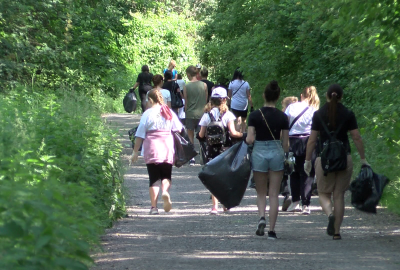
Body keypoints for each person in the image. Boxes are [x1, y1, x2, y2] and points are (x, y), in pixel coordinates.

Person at [304, 84, 368, 240]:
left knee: (323, 193)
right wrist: (363, 158)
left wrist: (307, 160)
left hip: (324, 159)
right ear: (341, 97)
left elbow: (312, 140)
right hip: (344, 158)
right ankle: (337, 232)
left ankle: (330, 214)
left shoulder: (318, 114)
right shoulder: (348, 114)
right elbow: (356, 137)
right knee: (338, 195)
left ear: (326, 96)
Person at [246, 80, 289, 240]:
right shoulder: (283, 117)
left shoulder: (255, 115)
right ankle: (272, 230)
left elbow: (250, 139)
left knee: (261, 192)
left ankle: (262, 217)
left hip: (259, 152)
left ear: (264, 96)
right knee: (273, 194)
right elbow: (285, 144)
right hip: (276, 151)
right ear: (278, 97)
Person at [131, 89, 183, 215]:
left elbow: (140, 134)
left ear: (150, 100)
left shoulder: (148, 113)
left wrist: (135, 151)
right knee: (166, 175)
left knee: (154, 178)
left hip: (152, 147)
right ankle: (165, 191)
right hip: (167, 146)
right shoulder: (168, 111)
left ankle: (154, 208)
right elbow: (179, 128)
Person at [196, 87, 245, 214]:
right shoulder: (228, 115)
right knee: (225, 176)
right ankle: (225, 204)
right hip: (226, 150)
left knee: (214, 177)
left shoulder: (207, 115)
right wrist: (243, 135)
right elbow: (233, 133)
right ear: (224, 100)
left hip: (212, 150)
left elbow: (201, 135)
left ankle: (214, 207)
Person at [285, 86, 320, 215]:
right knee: (308, 172)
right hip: (308, 141)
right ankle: (306, 204)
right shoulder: (314, 110)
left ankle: (295, 202)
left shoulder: (291, 107)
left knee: (293, 171)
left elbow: (285, 125)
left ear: (301, 95)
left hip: (292, 140)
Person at [183, 65, 208, 166]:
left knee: (190, 136)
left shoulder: (186, 86)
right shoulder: (204, 85)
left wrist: (186, 112)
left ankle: (192, 158)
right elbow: (206, 100)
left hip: (190, 113)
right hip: (202, 114)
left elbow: (186, 101)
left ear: (189, 74)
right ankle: (204, 156)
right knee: (202, 136)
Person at [280, 96, 299, 211]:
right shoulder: (302, 113)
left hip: (287, 145)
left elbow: (281, 133)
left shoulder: (284, 116)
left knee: (286, 171)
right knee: (298, 170)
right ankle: (301, 196)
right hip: (300, 143)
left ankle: (287, 194)